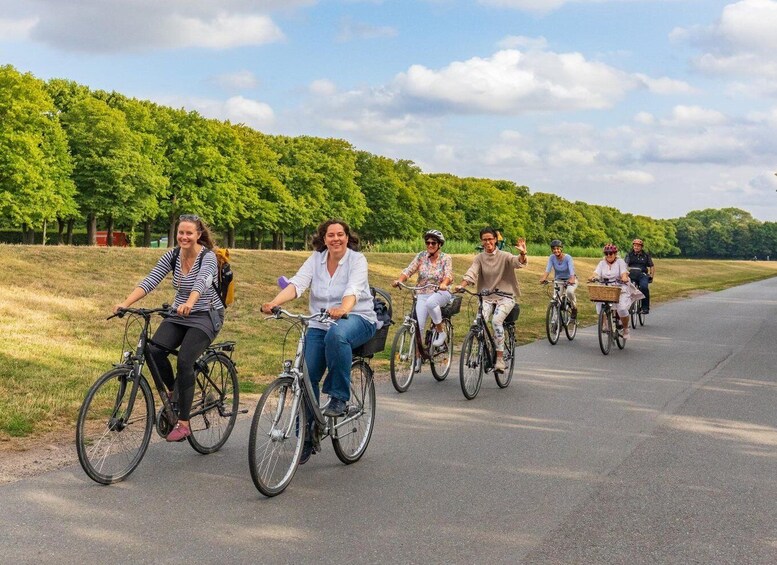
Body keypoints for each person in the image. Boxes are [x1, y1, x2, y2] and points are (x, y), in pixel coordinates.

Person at [261, 219, 377, 464]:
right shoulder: (316, 259)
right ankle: (306, 435)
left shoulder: (357, 260)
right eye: (330, 235)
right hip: (319, 321)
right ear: (323, 239)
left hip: (357, 317)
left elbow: (354, 289)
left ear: (347, 237)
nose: (335, 239)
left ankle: (339, 397)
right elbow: (297, 284)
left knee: (337, 335)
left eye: (340, 235)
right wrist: (275, 303)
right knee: (306, 375)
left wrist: (343, 309)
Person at [114, 214, 225, 442]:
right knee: (154, 351)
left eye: (189, 233)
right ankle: (176, 393)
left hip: (206, 314)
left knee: (185, 360)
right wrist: (125, 303)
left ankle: (184, 423)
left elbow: (202, 282)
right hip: (179, 313)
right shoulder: (173, 255)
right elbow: (150, 280)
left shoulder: (208, 257)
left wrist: (190, 303)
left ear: (198, 235)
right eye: (181, 232)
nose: (184, 237)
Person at [454, 227, 528, 372]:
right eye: (484, 239)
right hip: (486, 297)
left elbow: (517, 262)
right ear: (481, 241)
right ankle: (485, 347)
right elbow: (472, 272)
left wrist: (523, 253)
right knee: (479, 322)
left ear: (495, 240)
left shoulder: (505, 256)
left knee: (496, 321)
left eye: (490, 239)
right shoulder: (479, 258)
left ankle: (499, 358)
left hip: (505, 297)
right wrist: (462, 285)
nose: (487, 242)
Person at [392, 230, 453, 360]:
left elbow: (448, 276)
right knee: (418, 326)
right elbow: (409, 270)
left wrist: (444, 283)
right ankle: (417, 357)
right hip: (422, 293)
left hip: (441, 292)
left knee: (432, 303)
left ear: (439, 245)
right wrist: (400, 280)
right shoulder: (421, 256)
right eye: (427, 242)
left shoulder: (446, 258)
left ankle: (441, 333)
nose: (430, 245)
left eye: (433, 243)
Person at [588, 243, 632, 339]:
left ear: (615, 254)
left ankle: (625, 328)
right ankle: (605, 324)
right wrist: (592, 277)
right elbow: (596, 272)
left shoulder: (620, 262)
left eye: (611, 253)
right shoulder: (602, 263)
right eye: (606, 253)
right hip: (605, 288)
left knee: (622, 309)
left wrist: (624, 278)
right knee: (599, 305)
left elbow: (624, 272)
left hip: (619, 287)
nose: (608, 255)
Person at [539, 239, 578, 321]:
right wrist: (543, 278)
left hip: (570, 279)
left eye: (557, 248)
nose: (555, 250)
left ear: (561, 249)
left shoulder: (568, 258)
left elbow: (571, 270)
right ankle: (554, 321)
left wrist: (571, 279)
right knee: (556, 299)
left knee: (569, 292)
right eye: (554, 249)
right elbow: (548, 269)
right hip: (559, 280)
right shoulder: (552, 258)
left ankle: (574, 308)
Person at [624, 238, 654, 314]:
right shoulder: (629, 254)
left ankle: (645, 308)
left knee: (644, 287)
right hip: (632, 274)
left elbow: (651, 266)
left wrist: (651, 276)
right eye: (635, 246)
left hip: (642, 274)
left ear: (641, 247)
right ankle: (627, 306)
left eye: (638, 246)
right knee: (628, 288)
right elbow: (625, 264)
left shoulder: (646, 255)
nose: (636, 247)